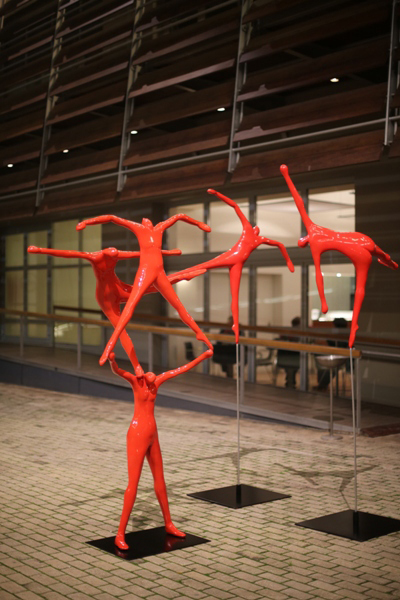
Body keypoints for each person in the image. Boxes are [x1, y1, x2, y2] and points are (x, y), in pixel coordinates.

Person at [76, 213, 213, 369]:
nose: (145, 220)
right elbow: (112, 218)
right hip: (146, 272)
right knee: (130, 307)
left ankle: (199, 333)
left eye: (147, 219)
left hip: (159, 273)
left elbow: (179, 216)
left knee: (178, 305)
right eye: (143, 220)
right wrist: (87, 222)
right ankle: (110, 346)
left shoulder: (160, 227)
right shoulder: (138, 228)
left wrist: (199, 224)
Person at [108, 348, 213, 551]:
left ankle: (169, 524)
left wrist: (203, 356)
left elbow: (181, 369)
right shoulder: (136, 382)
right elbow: (118, 371)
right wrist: (112, 360)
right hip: (137, 434)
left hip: (152, 434)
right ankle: (120, 534)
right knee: (133, 485)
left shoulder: (157, 382)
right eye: (149, 377)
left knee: (160, 480)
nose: (151, 379)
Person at [169, 189, 294, 344]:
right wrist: (217, 194)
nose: (256, 229)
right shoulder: (249, 230)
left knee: (234, 294)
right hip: (231, 256)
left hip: (237, 263)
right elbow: (235, 206)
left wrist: (288, 261)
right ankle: (174, 277)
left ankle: (235, 325)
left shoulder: (259, 239)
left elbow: (279, 244)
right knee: (205, 265)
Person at [278, 316, 301, 388]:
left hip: (284, 358)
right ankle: (290, 381)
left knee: (290, 367)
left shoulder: (286, 332)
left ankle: (290, 380)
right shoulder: (298, 334)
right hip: (293, 358)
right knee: (293, 365)